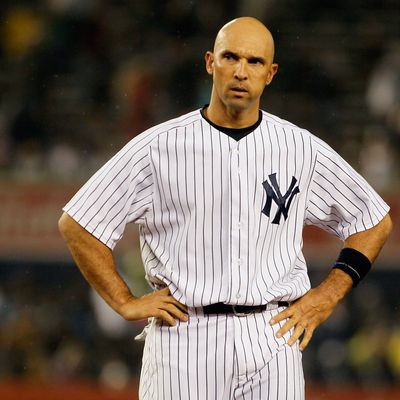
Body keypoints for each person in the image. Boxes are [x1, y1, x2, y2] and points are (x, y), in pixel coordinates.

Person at [58, 17, 392, 399]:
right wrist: (124, 301)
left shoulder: (300, 148)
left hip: (273, 332)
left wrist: (327, 295)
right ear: (209, 62)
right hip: (184, 337)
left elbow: (372, 220)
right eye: (230, 57)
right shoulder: (158, 147)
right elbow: (79, 223)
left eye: (254, 62)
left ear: (271, 73)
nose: (240, 71)